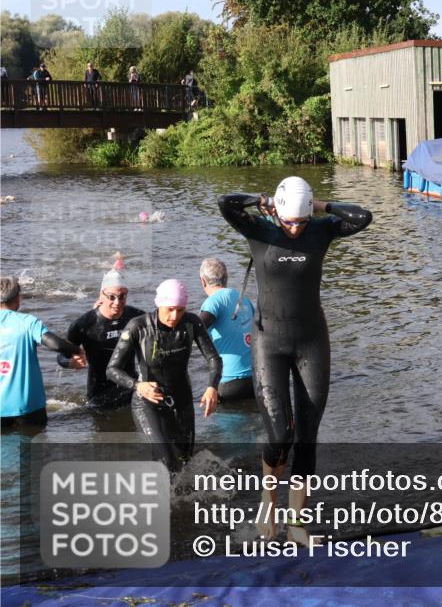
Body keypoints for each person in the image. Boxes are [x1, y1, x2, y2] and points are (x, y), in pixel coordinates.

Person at [219, 177, 371, 543]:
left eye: (300, 222)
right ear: (278, 213)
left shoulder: (320, 230)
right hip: (269, 342)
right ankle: (268, 503)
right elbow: (226, 203)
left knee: (307, 435)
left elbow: (363, 217)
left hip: (311, 342)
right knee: (280, 435)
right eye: (289, 221)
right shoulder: (259, 229)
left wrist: (319, 207)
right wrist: (261, 199)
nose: (295, 228)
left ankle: (297, 526)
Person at [107, 279, 221, 472]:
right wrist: (138, 386)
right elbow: (112, 369)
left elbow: (214, 358)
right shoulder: (138, 327)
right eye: (170, 309)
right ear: (159, 304)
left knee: (184, 460)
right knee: (167, 460)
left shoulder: (191, 322)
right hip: (147, 402)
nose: (175, 316)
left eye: (180, 310)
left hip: (181, 399)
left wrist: (212, 387)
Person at [1, 277, 84, 432]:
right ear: (18, 298)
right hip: (28, 407)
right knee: (32, 445)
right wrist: (77, 350)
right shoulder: (28, 322)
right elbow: (56, 344)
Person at [58, 266, 144, 410]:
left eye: (122, 296)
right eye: (111, 297)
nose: (117, 302)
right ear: (101, 295)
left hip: (131, 388)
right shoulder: (84, 324)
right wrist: (71, 362)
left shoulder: (136, 317)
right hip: (99, 393)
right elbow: (62, 356)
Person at [198, 258, 255, 403]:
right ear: (226, 277)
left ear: (202, 281)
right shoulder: (244, 299)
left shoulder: (213, 302)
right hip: (254, 380)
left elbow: (195, 329)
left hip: (229, 382)